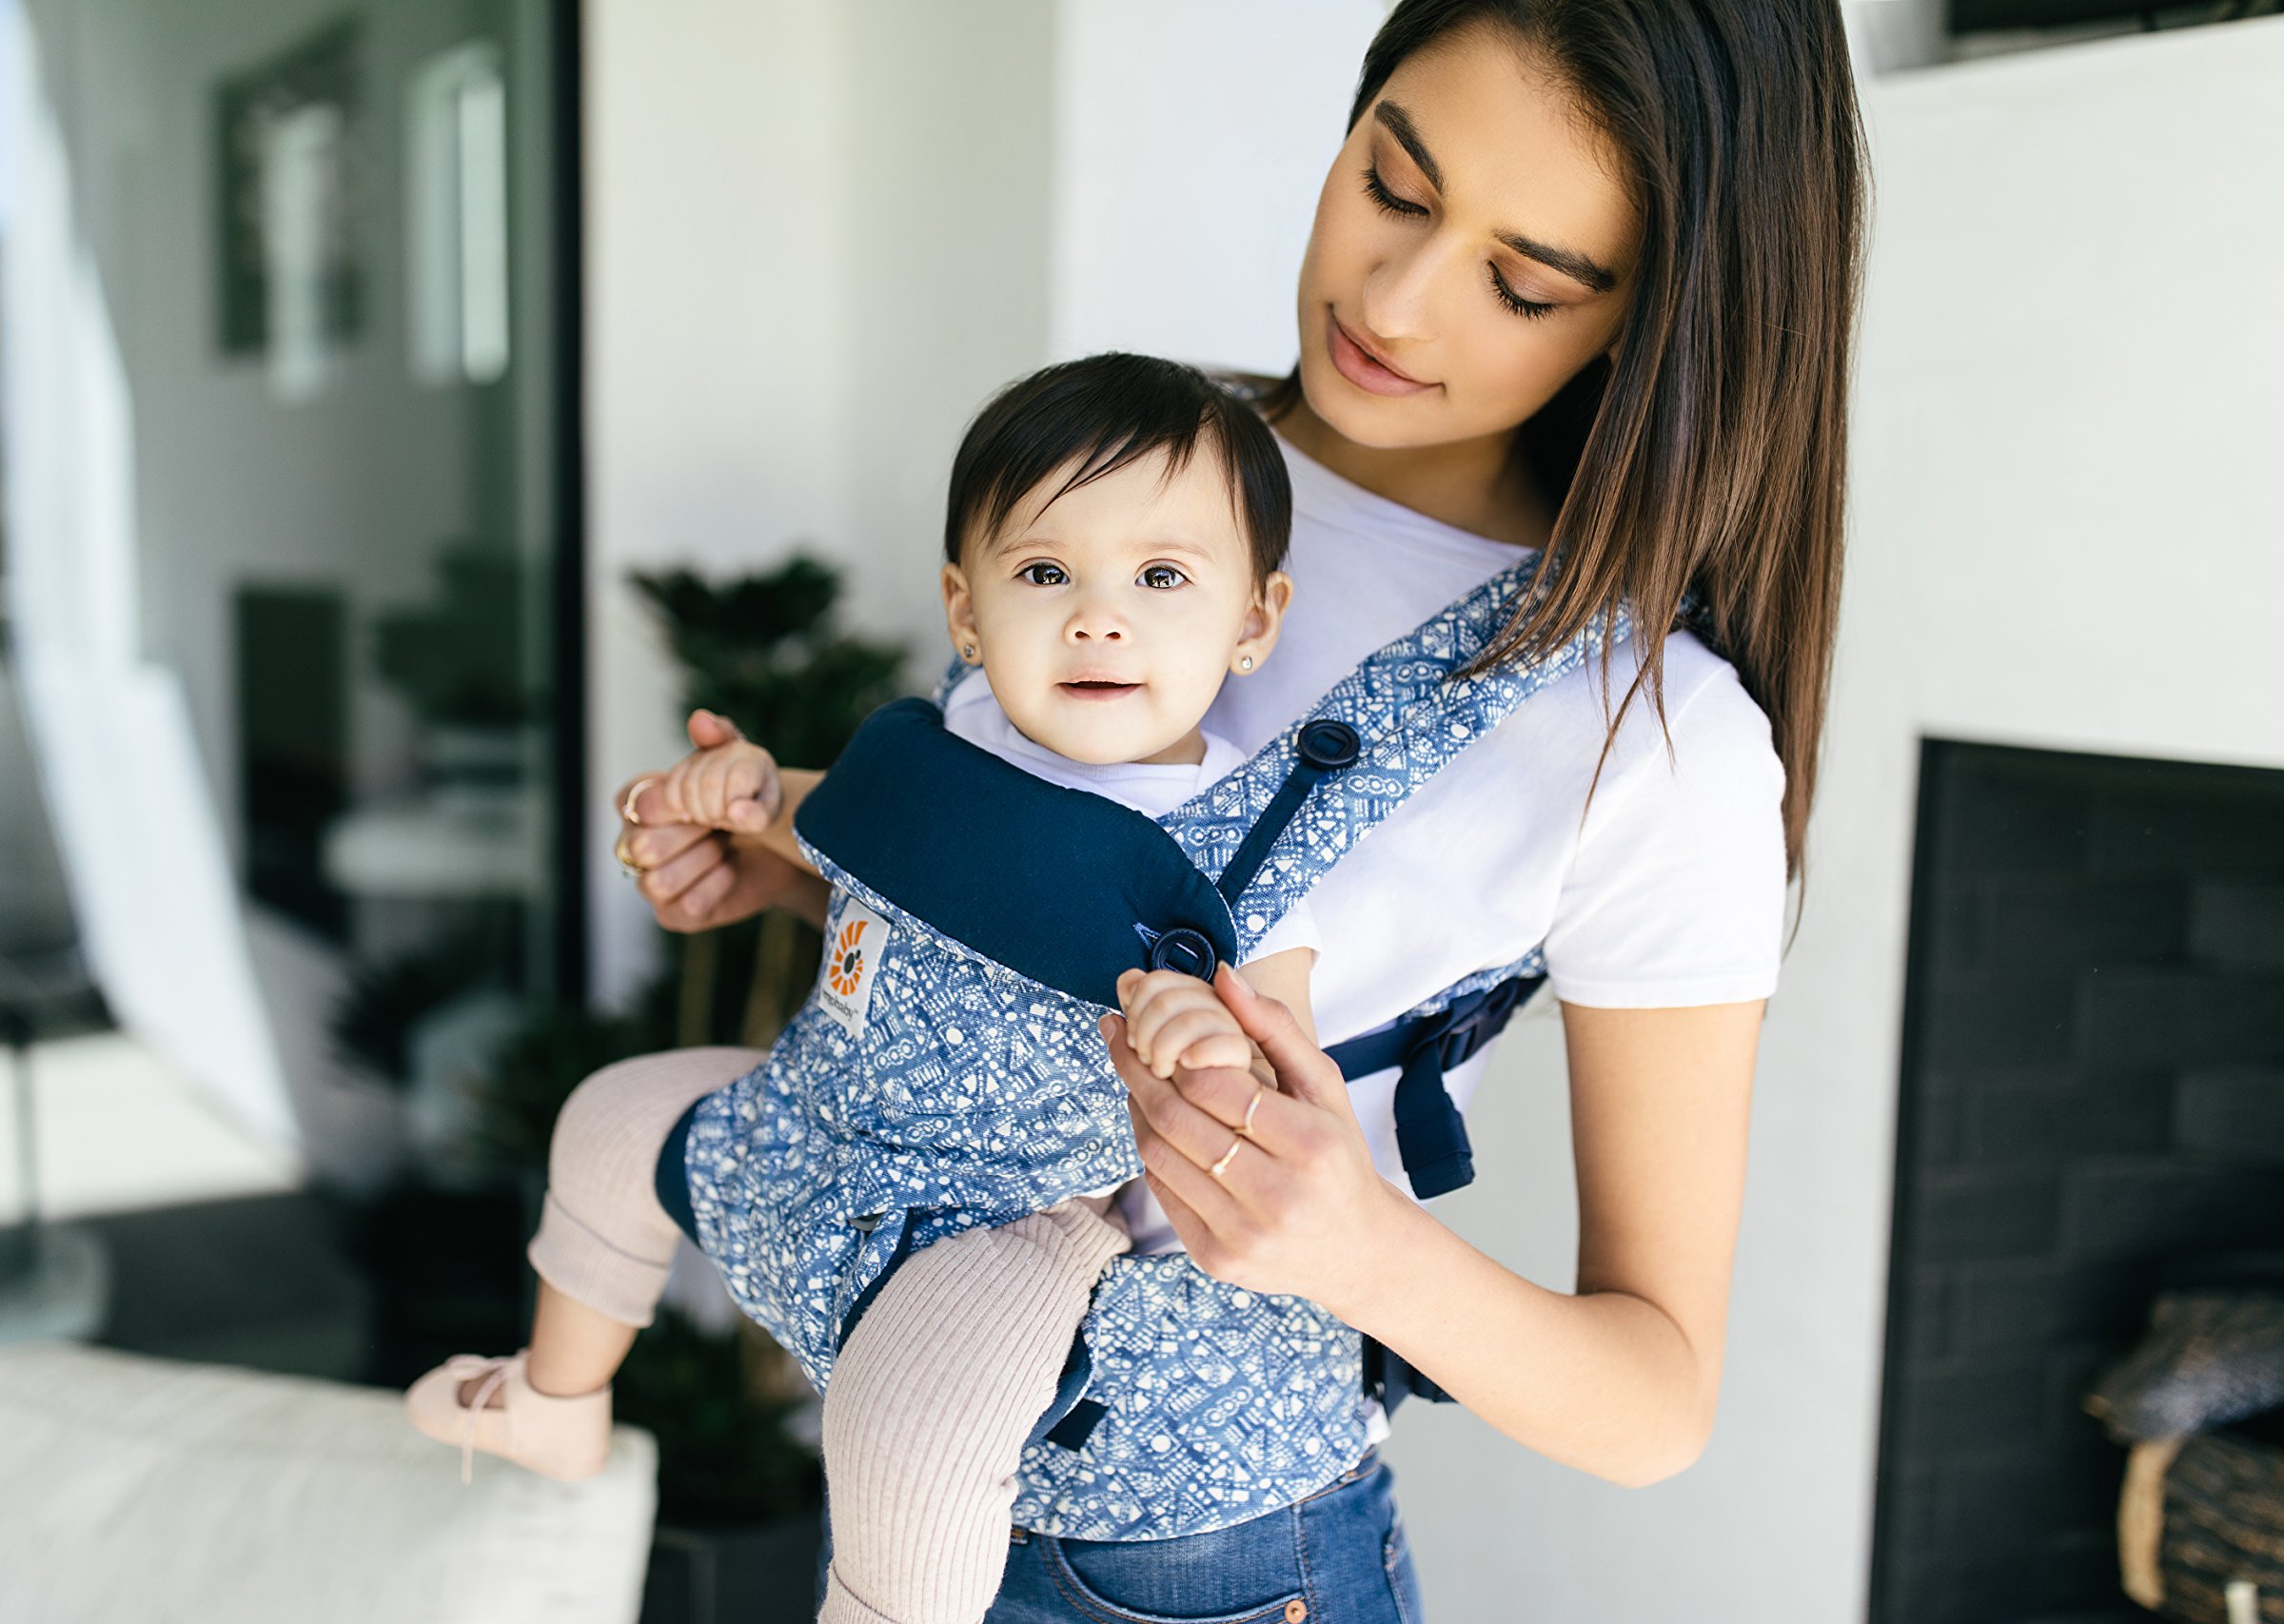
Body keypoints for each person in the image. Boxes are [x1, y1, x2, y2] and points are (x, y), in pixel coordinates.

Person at [611, 2, 1866, 1616]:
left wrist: (1355, 1244)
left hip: (1202, 1568)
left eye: (1524, 282)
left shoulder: (1651, 732)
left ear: (1655, 315)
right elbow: (1013, 942)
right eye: (1395, 189)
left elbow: (1655, 1401)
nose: (1397, 302)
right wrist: (799, 884)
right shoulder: (1132, 459)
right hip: (903, 1453)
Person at [406, 353, 1323, 1624]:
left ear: (1254, 621)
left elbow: (1285, 1095)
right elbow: (825, 827)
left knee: (916, 1424)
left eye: (1162, 578)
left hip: (1002, 1222)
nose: (1098, 617)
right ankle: (555, 1402)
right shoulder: (937, 748)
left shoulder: (1240, 850)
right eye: (1045, 573)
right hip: (807, 1118)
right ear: (965, 609)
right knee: (613, 1118)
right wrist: (731, 796)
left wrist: (1207, 1044)